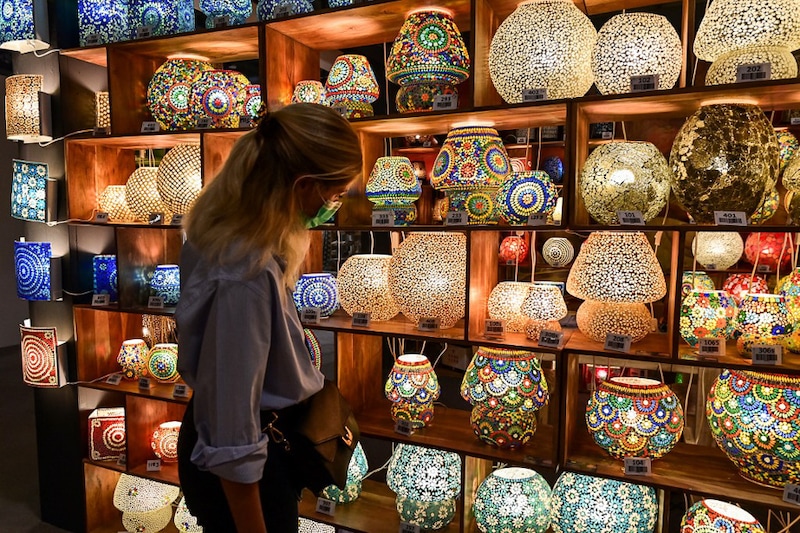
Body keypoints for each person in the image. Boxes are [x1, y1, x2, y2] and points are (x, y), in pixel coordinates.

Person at [175, 102, 363, 533]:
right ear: (304, 186)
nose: (333, 206)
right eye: (334, 195)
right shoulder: (245, 270)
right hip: (248, 472)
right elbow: (231, 424)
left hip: (251, 445)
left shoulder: (223, 236)